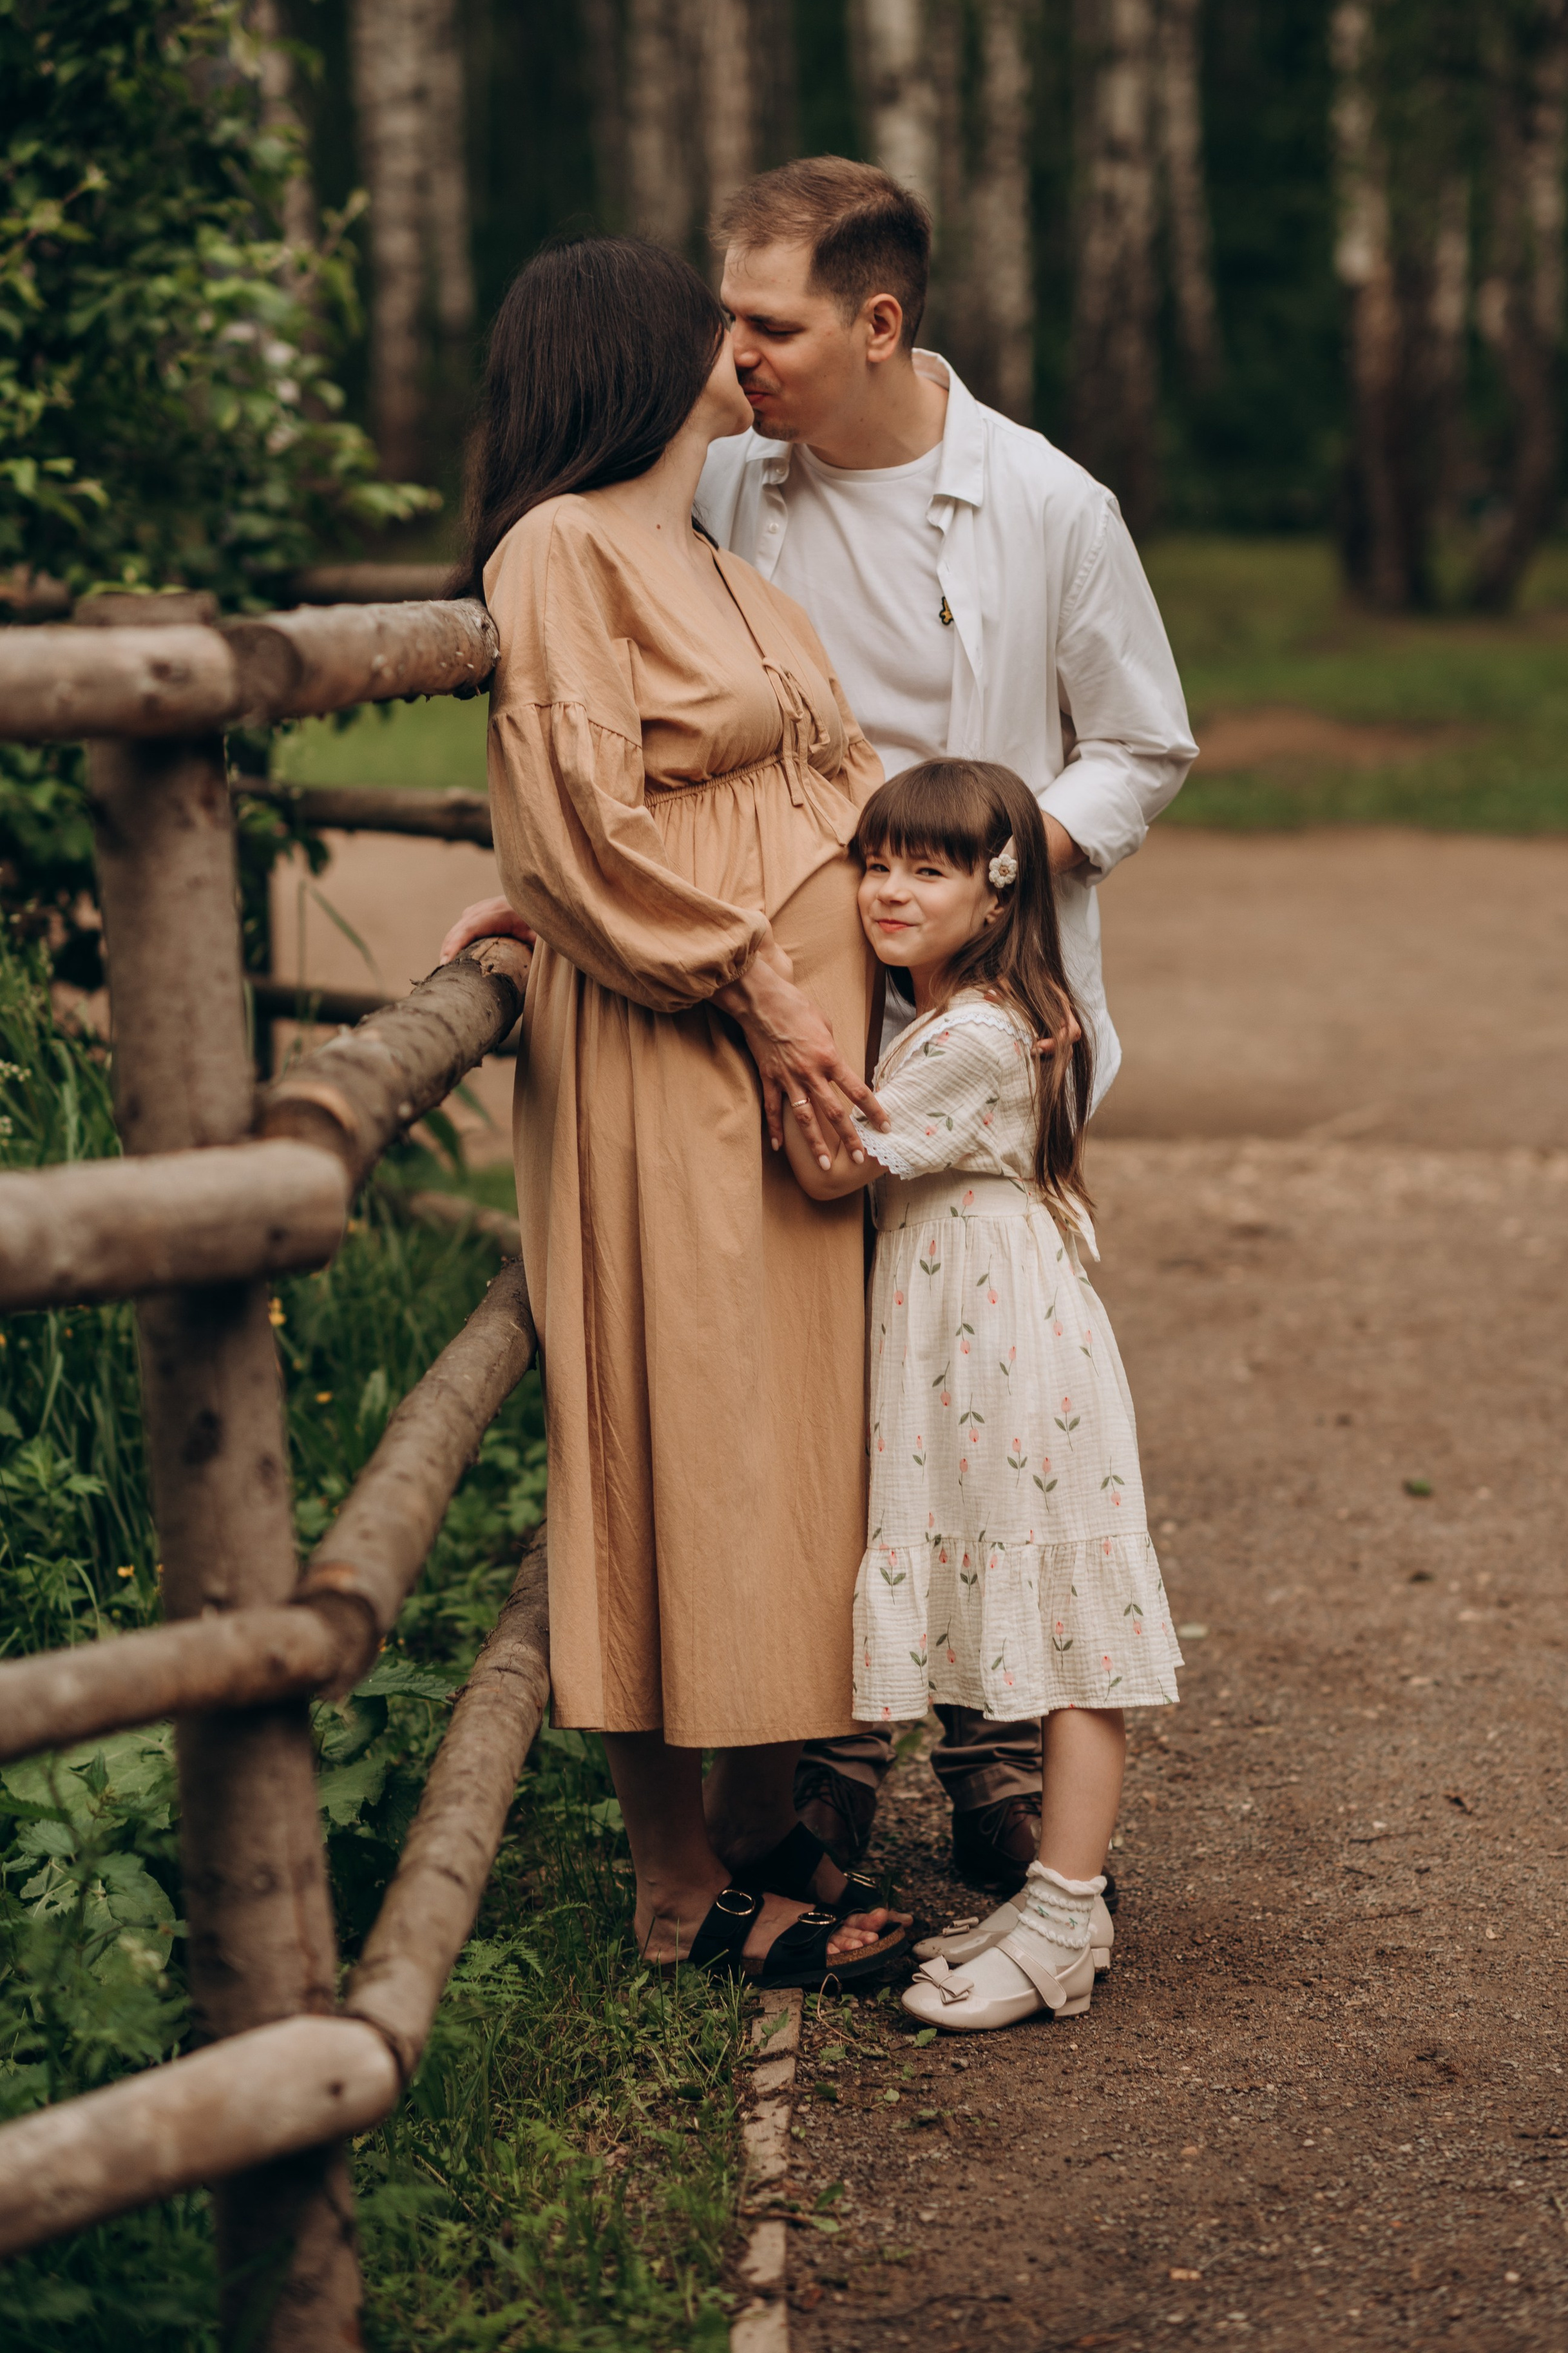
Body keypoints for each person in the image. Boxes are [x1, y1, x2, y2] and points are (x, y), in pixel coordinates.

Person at [441, 157, 1197, 1892]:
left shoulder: (1047, 505)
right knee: (804, 1396)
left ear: (878, 322)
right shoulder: (720, 500)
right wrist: (583, 899)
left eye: (768, 321)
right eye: (720, 319)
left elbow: (1138, 747)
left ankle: (991, 1747)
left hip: (957, 1024)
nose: (741, 350)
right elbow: (607, 758)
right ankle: (817, 1770)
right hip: (752, 1023)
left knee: (971, 1372)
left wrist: (975, 894)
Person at [464, 231, 910, 1989]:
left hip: (797, 1064)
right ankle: (678, 1887)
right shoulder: (561, 550)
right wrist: (770, 992)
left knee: (787, 1435)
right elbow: (581, 818)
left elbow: (835, 781)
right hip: (689, 1057)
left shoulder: (717, 558)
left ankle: (751, 1830)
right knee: (679, 1422)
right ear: (640, 359)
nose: (744, 344)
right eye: (710, 321)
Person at [777, 759, 1182, 2029]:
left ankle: (1065, 1912)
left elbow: (833, 1165)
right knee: (1051, 1610)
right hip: (974, 1336)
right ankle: (1052, 1897)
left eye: (929, 868)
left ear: (998, 895)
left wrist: (750, 1022)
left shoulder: (970, 1034)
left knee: (1071, 1624)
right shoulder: (962, 1015)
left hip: (1009, 1349)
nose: (888, 890)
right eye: (876, 861)